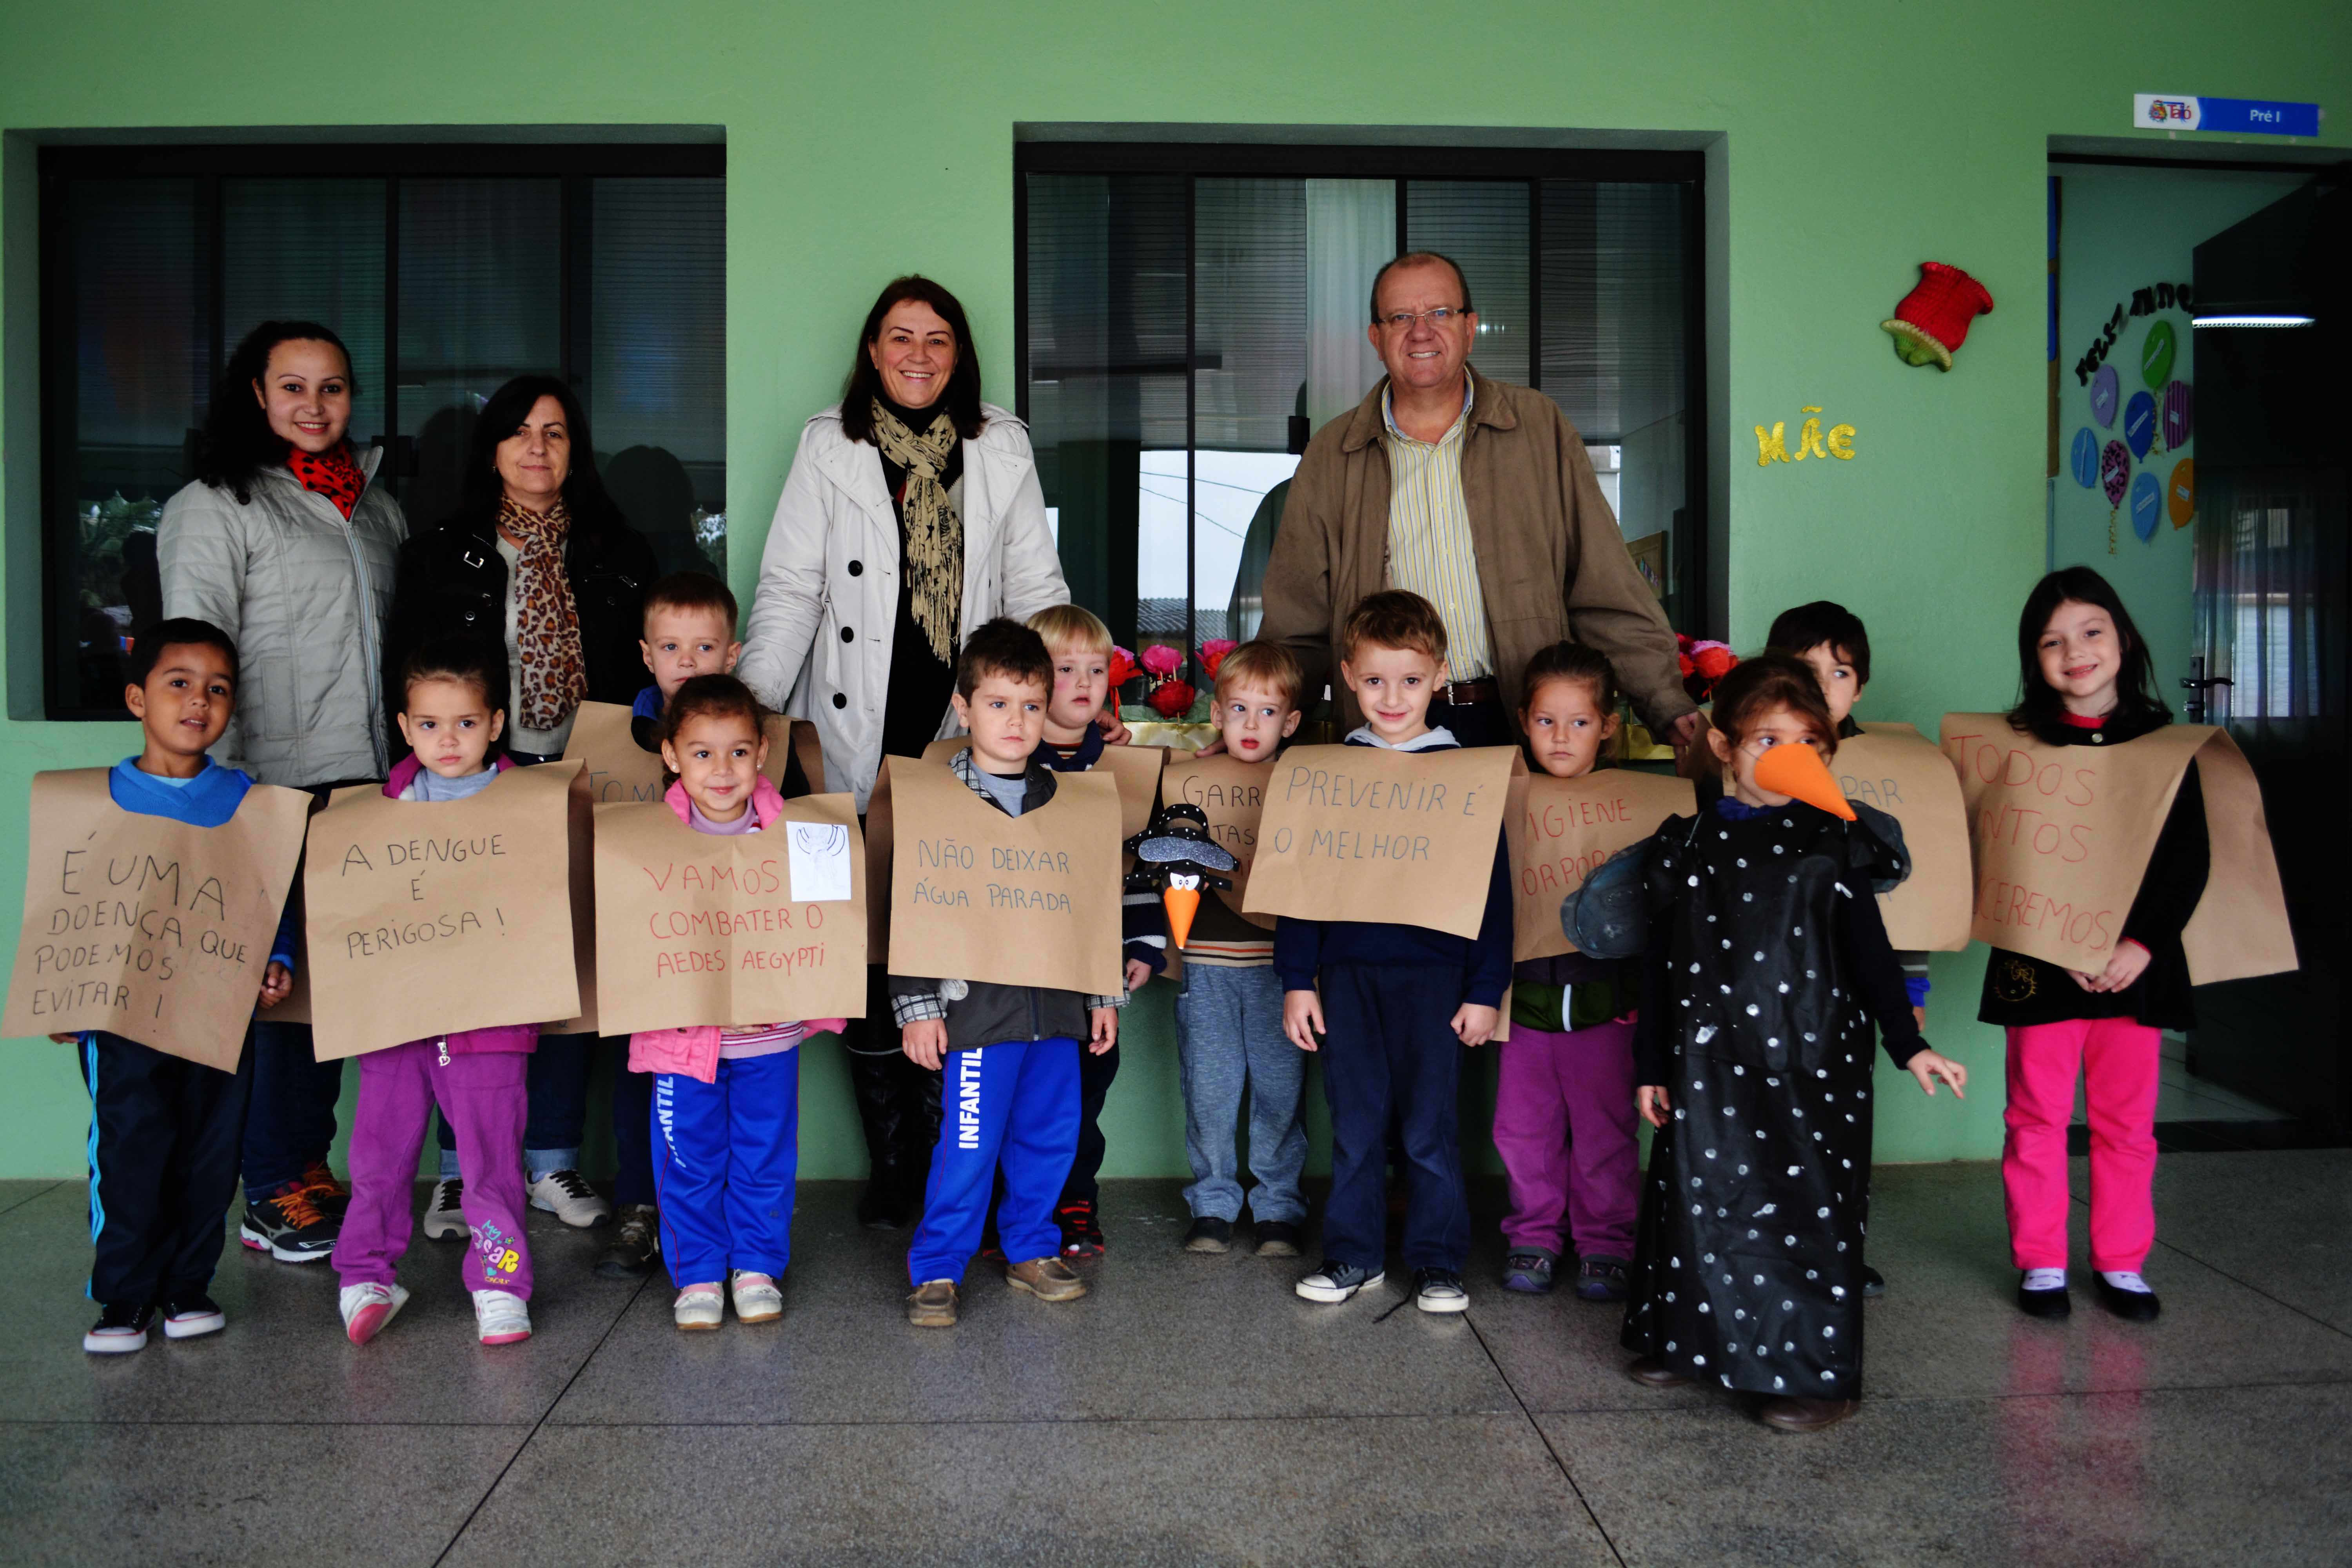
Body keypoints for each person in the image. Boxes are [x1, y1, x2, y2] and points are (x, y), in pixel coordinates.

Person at [737, 275, 1076, 1232]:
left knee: (951, 941)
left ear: (959, 353)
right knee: (868, 951)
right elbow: (791, 587)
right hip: (849, 733)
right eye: (899, 337)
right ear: (873, 350)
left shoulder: (999, 447)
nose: (918, 354)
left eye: (937, 338)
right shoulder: (829, 444)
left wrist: (1055, 706)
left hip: (963, 731)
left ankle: (947, 1157)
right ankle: (896, 1163)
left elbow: (1034, 585)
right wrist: (751, 711)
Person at [1621, 653, 1968, 1434]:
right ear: (1722, 745)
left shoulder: (1833, 844)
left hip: (1811, 1066)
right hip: (1708, 1065)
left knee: (1805, 1209)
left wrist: (1909, 1043)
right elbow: (1660, 961)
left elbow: (1873, 956)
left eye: (1805, 742)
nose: (1785, 757)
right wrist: (1651, 1063)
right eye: (1765, 739)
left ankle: (1817, 1373)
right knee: (1698, 1200)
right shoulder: (1688, 843)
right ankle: (1690, 1339)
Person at [159, 321, 407, 1267]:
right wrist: (210, 788)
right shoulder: (215, 505)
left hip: (364, 781)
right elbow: (195, 659)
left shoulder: (374, 509)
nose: (314, 406)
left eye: (333, 388)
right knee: (277, 989)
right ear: (256, 395)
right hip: (265, 786)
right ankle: (273, 1183)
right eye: (293, 387)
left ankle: (300, 1167)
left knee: (338, 989)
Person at [387, 374, 657, 1240]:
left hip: (588, 777)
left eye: (556, 432)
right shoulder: (439, 550)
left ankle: (549, 1161)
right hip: (476, 781)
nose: (538, 448)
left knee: (567, 971)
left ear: (576, 449)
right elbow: (407, 676)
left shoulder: (619, 548)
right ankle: (461, 1171)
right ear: (492, 448)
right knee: (469, 973)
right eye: (519, 432)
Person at [1256, 252, 1700, 761]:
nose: (1421, 332)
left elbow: (1604, 586)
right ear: (1376, 338)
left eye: (1440, 313)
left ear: (1470, 328)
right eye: (1401, 317)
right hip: (1389, 732)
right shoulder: (1335, 454)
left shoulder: (1537, 427)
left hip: (1521, 720)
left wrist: (1665, 700)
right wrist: (1258, 720)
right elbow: (1296, 622)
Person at [1278, 591, 1514, 1315]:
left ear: (1440, 677)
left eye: (1411, 680)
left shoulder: (1465, 775)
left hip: (1438, 981)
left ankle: (1439, 1262)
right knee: (1354, 1127)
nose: (1392, 696)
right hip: (1347, 978)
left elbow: (1495, 896)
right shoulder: (1325, 773)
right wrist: (1298, 980)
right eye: (1376, 679)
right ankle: (1354, 1255)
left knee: (1429, 1130)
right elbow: (1301, 884)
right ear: (1348, 676)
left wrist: (1484, 990)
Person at [1982, 568, 2207, 1325]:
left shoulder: (2166, 743)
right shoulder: (2014, 747)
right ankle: (2042, 1261)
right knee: (2036, 1116)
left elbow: (2188, 859)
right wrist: (2060, 939)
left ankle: (2121, 1263)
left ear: (2123, 639)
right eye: (2052, 641)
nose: (2074, 652)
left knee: (2125, 1123)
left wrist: (2140, 944)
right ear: (2033, 658)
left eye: (2090, 632)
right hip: (2040, 966)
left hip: (2132, 969)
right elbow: (2002, 859)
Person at [66, 620, 298, 1352]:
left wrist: (277, 958)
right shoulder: (94, 799)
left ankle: (188, 1287)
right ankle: (125, 1297)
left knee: (210, 1151)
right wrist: (67, 984)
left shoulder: (248, 802)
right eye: (179, 683)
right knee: (131, 1150)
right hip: (124, 1021)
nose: (199, 700)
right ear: (137, 698)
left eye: (218, 689)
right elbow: (68, 903)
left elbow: (275, 898)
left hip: (220, 1016)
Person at [894, 620, 1126, 1328]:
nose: (1016, 721)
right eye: (998, 704)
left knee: (1049, 1139)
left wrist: (1103, 994)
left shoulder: (1069, 805)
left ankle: (1031, 1248)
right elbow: (908, 901)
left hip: (1055, 1013)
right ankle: (938, 1267)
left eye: (1031, 705)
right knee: (967, 1147)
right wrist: (917, 1007)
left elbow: (1092, 904)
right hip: (975, 1019)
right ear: (964, 708)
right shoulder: (935, 801)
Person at [332, 637, 537, 1349]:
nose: (447, 740)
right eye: (428, 725)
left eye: (466, 724)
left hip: (492, 1024)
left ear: (497, 723)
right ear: (402, 726)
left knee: (489, 1162)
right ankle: (365, 1275)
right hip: (396, 1019)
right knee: (379, 1155)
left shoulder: (527, 810)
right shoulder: (371, 817)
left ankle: (501, 1282)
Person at [629, 675, 846, 1331]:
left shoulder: (802, 838)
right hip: (681, 1044)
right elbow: (632, 947)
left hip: (770, 1040)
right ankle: (697, 1271)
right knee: (688, 1159)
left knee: (764, 1157)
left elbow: (825, 929)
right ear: (670, 755)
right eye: (702, 753)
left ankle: (755, 1264)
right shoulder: (641, 844)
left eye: (738, 753)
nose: (722, 771)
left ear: (762, 752)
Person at [1767, 599, 1922, 1301]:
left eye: (1839, 672)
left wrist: (1909, 1000)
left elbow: (1916, 903)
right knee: (1770, 1128)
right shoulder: (1752, 760)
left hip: (1852, 997)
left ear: (1858, 689)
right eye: (1804, 671)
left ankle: (1840, 1251)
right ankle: (1770, 1249)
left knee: (1843, 1132)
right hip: (1770, 991)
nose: (1822, 685)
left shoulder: (1894, 767)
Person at [1495, 643, 1647, 1302]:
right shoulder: (1502, 803)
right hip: (1523, 1011)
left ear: (1608, 726)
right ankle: (1533, 1237)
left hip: (1606, 1012)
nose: (1561, 737)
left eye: (1580, 722)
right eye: (1546, 721)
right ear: (1524, 720)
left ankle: (1607, 1245)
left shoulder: (1637, 808)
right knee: (1521, 1132)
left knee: (1606, 1134)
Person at [1025, 604, 1167, 1257]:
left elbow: (1137, 864)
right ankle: (1020, 1209)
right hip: (1017, 972)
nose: (1084, 683)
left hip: (1096, 976)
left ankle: (1076, 1202)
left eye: (1095, 670)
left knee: (1085, 1093)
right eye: (1064, 670)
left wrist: (1144, 943)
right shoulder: (1002, 760)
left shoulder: (1122, 771)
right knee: (1020, 1094)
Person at [1171, 640, 1309, 1258]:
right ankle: (1214, 1204)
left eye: (1268, 712)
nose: (1252, 726)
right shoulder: (1188, 779)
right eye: (1238, 710)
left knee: (1281, 1091)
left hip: (1282, 970)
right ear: (1217, 714)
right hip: (1205, 963)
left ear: (1293, 722)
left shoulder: (1309, 785)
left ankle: (1278, 1207)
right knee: (1210, 1088)